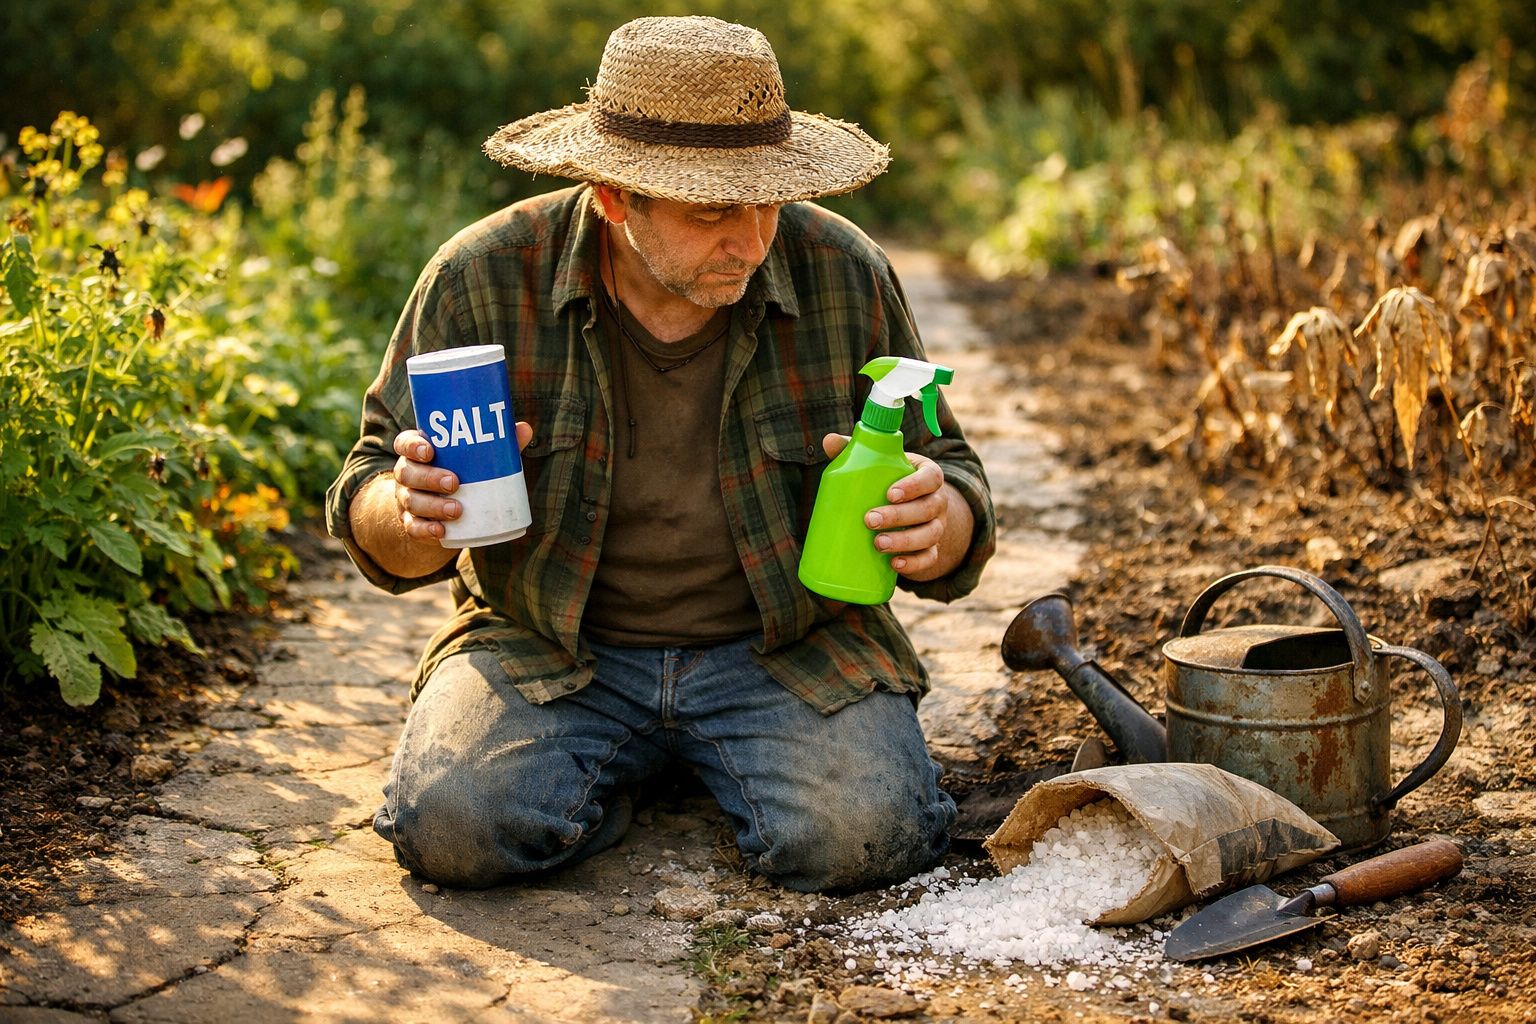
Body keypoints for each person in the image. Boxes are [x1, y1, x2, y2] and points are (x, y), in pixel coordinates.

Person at [325, 15, 995, 893]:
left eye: (770, 202)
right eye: (713, 212)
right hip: (550, 646)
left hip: (787, 649)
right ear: (612, 196)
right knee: (453, 831)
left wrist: (939, 517)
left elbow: (951, 473)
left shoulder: (843, 271)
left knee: (869, 841)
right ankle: (636, 771)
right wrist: (410, 515)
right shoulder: (482, 278)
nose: (751, 242)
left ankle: (690, 762)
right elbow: (369, 485)